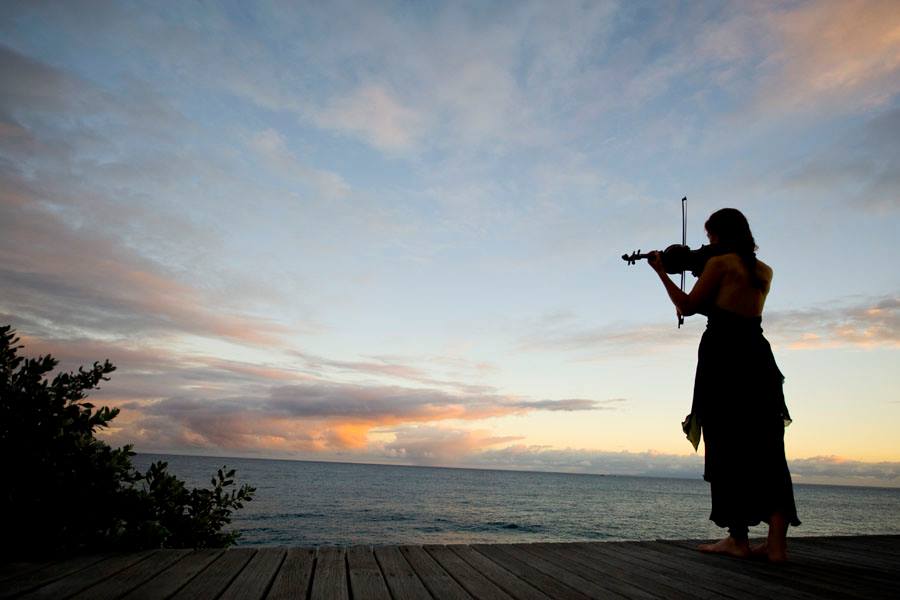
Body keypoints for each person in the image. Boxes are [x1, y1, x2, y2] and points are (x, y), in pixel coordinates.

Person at [647, 208, 799, 562]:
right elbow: (732, 300)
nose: (708, 244)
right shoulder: (764, 271)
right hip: (758, 357)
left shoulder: (720, 264)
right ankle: (777, 545)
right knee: (768, 446)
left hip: (723, 357)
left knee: (727, 443)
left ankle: (738, 539)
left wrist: (659, 271)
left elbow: (687, 305)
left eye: (711, 237)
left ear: (720, 234)